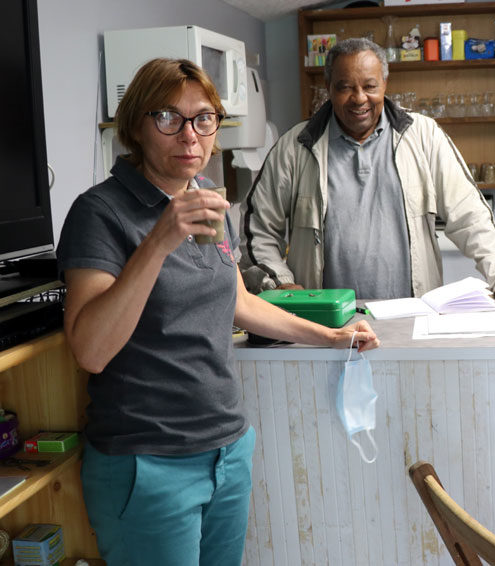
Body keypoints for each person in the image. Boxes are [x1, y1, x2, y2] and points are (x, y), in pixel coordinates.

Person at [56, 58, 380, 565]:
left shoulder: (205, 195)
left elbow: (240, 302)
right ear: (136, 127)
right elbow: (91, 351)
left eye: (203, 118)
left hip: (227, 449)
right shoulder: (99, 212)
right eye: (169, 117)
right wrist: (160, 241)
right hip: (147, 461)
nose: (190, 135)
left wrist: (331, 336)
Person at [238, 38, 495, 300]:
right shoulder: (296, 146)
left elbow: (470, 215)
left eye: (369, 86)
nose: (359, 98)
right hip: (326, 325)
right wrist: (279, 282)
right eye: (345, 87)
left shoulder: (423, 135)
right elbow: (258, 230)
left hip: (412, 315)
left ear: (385, 86)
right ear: (328, 89)